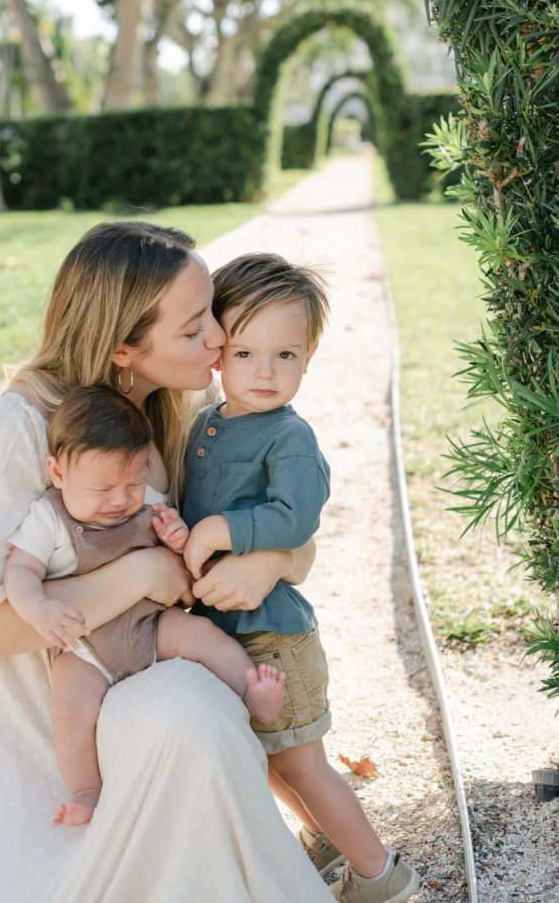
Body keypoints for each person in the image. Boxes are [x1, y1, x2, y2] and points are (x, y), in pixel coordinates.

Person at [0, 221, 331, 903]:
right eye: (192, 327)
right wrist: (141, 577)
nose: (217, 337)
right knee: (188, 715)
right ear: (124, 347)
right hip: (37, 709)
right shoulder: (17, 430)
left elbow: (281, 522)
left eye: (210, 310)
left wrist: (273, 564)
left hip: (138, 667)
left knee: (196, 713)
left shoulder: (191, 413)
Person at [182, 253, 420, 903]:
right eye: (246, 353)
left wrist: (216, 534)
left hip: (274, 637)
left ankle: (380, 875)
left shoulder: (288, 437)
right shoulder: (206, 423)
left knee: (304, 764)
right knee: (267, 763)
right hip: (228, 635)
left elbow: (294, 516)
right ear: (216, 353)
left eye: (285, 355)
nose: (265, 372)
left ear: (309, 356)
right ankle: (326, 845)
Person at [5, 384, 285, 828]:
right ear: (57, 473)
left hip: (151, 625)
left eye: (133, 483)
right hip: (87, 645)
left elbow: (180, 564)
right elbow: (18, 571)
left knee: (204, 638)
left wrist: (176, 538)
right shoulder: (48, 518)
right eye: (101, 487)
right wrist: (38, 608)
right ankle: (87, 788)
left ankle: (254, 693)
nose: (119, 500)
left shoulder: (147, 504)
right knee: (70, 708)